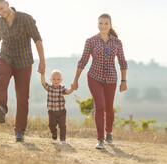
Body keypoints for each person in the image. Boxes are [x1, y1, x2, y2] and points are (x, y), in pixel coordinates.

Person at [0, 0, 45, 142]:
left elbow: (37, 39)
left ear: (7, 4)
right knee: (2, 79)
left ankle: (19, 131)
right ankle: (1, 107)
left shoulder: (26, 19)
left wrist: (42, 61)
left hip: (24, 62)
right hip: (5, 58)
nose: (0, 12)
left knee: (22, 98)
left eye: (1, 8)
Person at [71, 13, 128, 149]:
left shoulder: (117, 42)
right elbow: (83, 61)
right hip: (94, 77)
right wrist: (75, 81)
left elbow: (122, 62)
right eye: (101, 23)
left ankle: (109, 133)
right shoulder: (90, 41)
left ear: (110, 25)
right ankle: (100, 139)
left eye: (106, 23)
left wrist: (123, 81)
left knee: (109, 108)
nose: (103, 26)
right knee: (100, 106)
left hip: (111, 79)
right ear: (97, 25)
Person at [41, 69, 74, 144]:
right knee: (51, 124)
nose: (56, 81)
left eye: (58, 79)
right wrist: (42, 74)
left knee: (62, 126)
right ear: (50, 79)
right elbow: (43, 83)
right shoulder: (49, 88)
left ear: (61, 80)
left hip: (61, 111)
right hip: (51, 111)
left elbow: (68, 92)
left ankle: (63, 139)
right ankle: (54, 133)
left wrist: (72, 88)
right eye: (54, 79)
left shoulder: (62, 88)